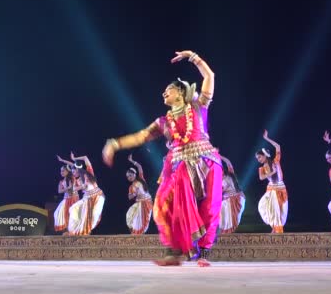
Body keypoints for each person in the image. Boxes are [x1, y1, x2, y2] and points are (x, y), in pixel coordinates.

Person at [103, 49, 222, 267]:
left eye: (168, 90)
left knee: (209, 207)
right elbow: (141, 136)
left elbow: (209, 76)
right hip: (179, 166)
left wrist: (191, 56)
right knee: (163, 203)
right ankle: (174, 252)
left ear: (180, 92)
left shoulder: (197, 106)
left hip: (207, 160)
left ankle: (204, 252)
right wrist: (115, 143)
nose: (163, 93)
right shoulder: (162, 121)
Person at [255, 130, 287, 233]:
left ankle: (275, 230)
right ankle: (274, 228)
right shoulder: (261, 168)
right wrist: (271, 173)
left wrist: (266, 138)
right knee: (264, 206)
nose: (258, 159)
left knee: (278, 211)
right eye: (257, 158)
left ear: (265, 155)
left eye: (259, 157)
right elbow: (261, 178)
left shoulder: (275, 161)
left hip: (280, 188)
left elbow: (278, 147)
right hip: (271, 189)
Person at [67, 153, 105, 235]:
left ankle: (86, 231)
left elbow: (85, 157)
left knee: (94, 216)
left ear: (77, 169)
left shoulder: (89, 172)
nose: (73, 174)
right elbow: (75, 189)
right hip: (87, 199)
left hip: (98, 196)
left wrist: (74, 158)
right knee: (73, 209)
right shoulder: (78, 180)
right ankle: (74, 230)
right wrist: (80, 187)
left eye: (74, 171)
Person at [125, 154, 153, 234]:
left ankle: (139, 235)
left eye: (130, 175)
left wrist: (132, 161)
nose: (129, 177)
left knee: (144, 221)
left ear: (134, 174)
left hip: (147, 203)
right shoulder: (131, 187)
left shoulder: (141, 179)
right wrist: (134, 194)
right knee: (131, 216)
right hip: (139, 204)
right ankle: (135, 234)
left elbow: (139, 167)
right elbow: (129, 197)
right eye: (128, 177)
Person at [218, 155, 245, 233]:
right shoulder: (217, 180)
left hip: (235, 199)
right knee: (222, 216)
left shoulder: (230, 173)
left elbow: (228, 162)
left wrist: (218, 156)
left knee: (231, 219)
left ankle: (227, 235)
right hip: (225, 201)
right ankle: (223, 235)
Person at [53, 157, 79, 232]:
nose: (61, 172)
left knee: (73, 215)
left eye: (63, 171)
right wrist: (67, 188)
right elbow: (59, 191)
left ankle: (74, 231)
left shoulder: (73, 177)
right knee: (57, 213)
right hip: (66, 199)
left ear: (68, 171)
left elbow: (73, 165)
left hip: (74, 198)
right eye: (61, 171)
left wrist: (63, 160)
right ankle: (68, 231)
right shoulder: (61, 181)